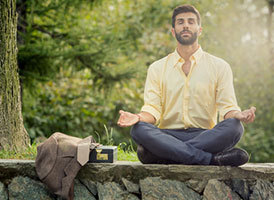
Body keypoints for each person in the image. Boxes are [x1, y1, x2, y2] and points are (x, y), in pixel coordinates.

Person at [117, 4, 256, 166]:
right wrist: (138, 117)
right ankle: (210, 159)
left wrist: (239, 115)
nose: (186, 25)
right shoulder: (157, 68)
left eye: (191, 21)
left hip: (205, 136)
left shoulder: (220, 66)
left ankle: (164, 154)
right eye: (180, 22)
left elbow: (227, 108)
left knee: (235, 127)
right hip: (167, 136)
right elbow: (152, 110)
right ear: (173, 30)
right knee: (139, 129)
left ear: (199, 29)